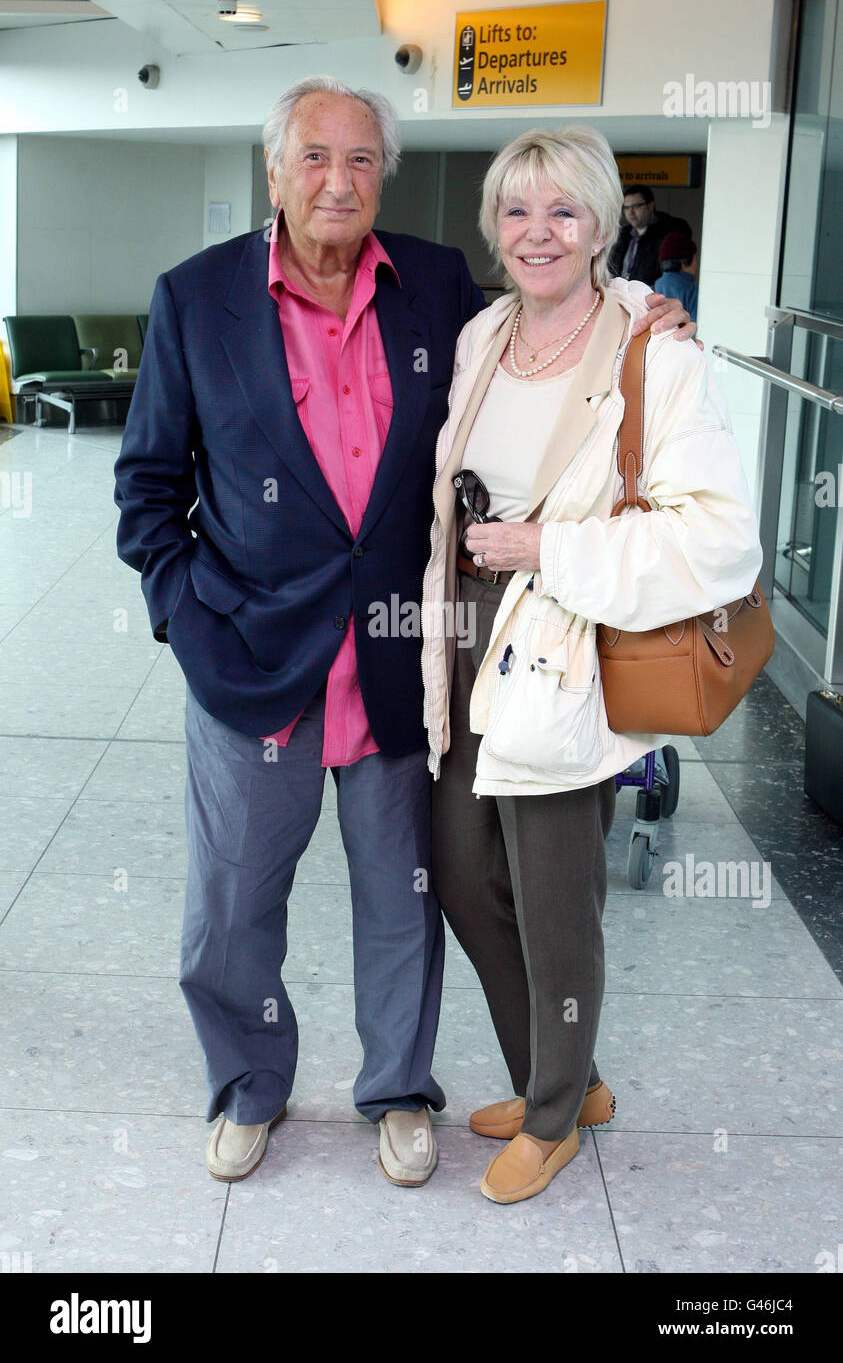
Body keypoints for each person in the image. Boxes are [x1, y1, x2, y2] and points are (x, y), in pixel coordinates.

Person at [113, 80, 697, 1191]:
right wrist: (184, 619)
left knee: (404, 899)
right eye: (316, 157)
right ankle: (248, 1083)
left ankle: (395, 1087)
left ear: (385, 172)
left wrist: (648, 315)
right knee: (231, 911)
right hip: (251, 666)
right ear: (273, 169)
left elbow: (549, 327)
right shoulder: (195, 300)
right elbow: (147, 489)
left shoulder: (432, 285)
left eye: (364, 160)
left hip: (399, 662)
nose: (340, 180)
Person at [421, 125, 762, 1205]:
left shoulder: (655, 352)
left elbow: (719, 539)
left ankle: (556, 1110)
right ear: (494, 228)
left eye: (564, 211)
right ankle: (564, 1076)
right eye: (517, 211)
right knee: (467, 875)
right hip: (469, 629)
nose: (538, 233)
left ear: (605, 225)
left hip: (566, 638)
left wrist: (550, 550)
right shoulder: (482, 337)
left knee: (556, 895)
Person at [608, 183, 691, 287]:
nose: (631, 212)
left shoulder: (668, 233)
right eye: (626, 207)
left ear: (650, 206)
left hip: (650, 296)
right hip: (620, 295)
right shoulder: (622, 234)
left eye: (636, 206)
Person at [654, 230, 699, 322]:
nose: (697, 265)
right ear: (684, 263)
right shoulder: (693, 292)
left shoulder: (654, 287)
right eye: (695, 259)